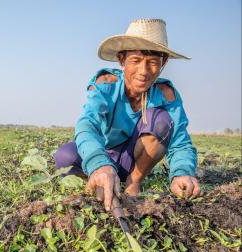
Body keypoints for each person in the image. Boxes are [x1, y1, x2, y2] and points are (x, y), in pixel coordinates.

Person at [54, 19, 202, 211]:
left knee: (161, 121)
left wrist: (182, 172)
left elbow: (180, 141)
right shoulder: (106, 84)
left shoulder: (165, 93)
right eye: (136, 60)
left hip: (133, 161)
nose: (143, 71)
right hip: (104, 154)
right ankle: (100, 179)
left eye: (153, 62)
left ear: (163, 62)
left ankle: (133, 183)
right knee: (65, 156)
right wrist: (99, 164)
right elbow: (87, 125)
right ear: (121, 60)